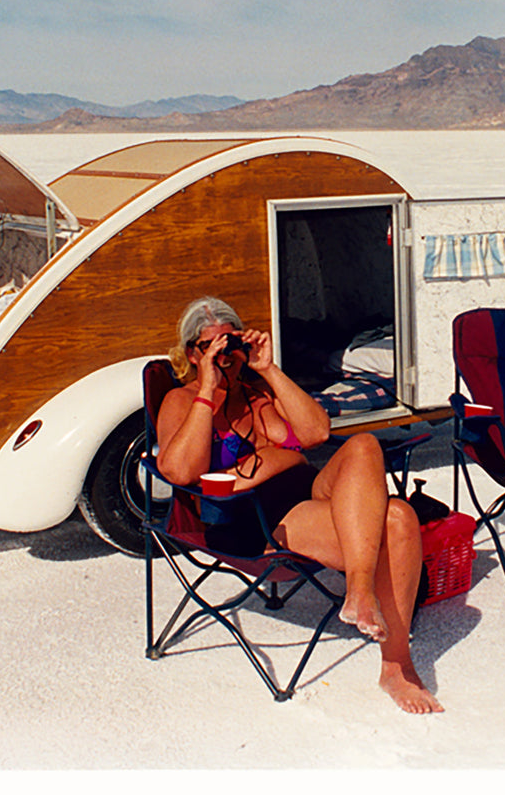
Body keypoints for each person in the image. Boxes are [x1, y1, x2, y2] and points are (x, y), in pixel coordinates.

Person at [155, 296, 443, 714]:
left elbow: (316, 432)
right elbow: (180, 471)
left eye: (229, 343)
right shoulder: (182, 402)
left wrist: (268, 368)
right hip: (260, 519)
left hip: (306, 492)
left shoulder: (256, 396)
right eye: (209, 347)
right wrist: (206, 391)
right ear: (191, 354)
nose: (223, 355)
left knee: (363, 444)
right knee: (398, 518)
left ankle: (360, 591)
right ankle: (396, 667)